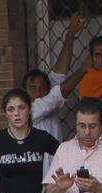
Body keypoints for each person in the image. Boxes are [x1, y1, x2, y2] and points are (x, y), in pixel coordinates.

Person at [24, 11, 88, 157]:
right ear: (24, 92)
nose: (39, 93)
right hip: (39, 176)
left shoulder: (48, 97)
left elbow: (60, 72)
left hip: (57, 170)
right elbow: (59, 93)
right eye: (32, 88)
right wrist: (84, 69)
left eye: (42, 88)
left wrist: (71, 33)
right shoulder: (30, 111)